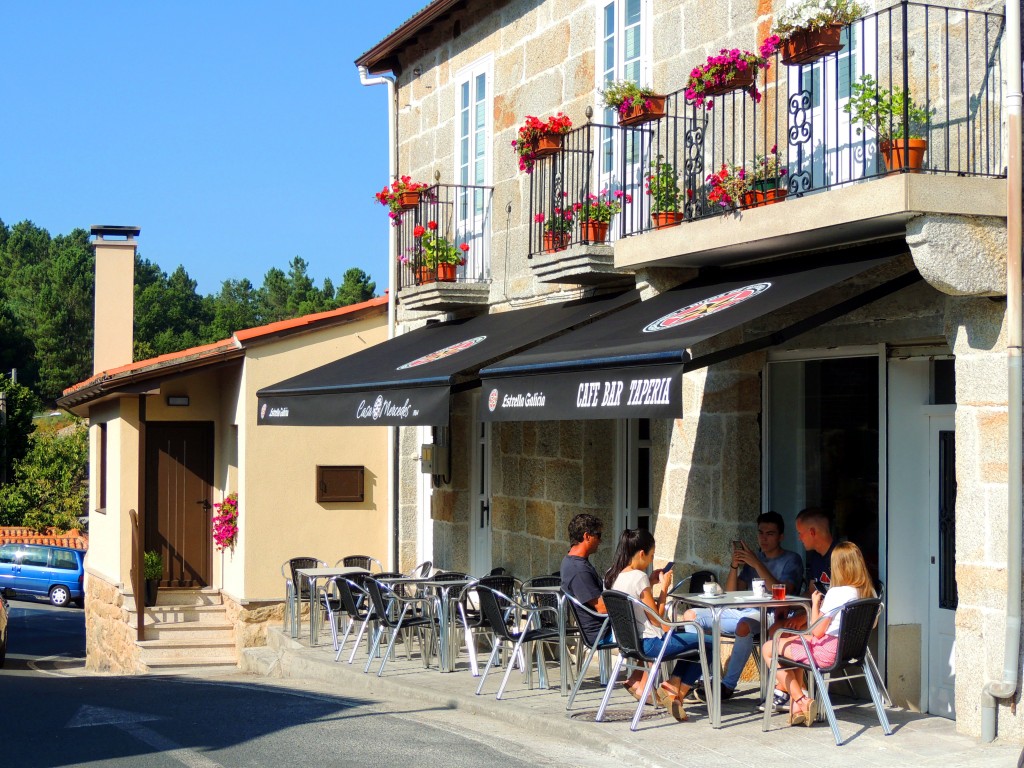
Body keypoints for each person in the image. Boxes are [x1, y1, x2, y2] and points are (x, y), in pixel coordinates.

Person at [680, 511, 803, 700]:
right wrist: (734, 566)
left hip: (771, 615)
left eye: (770, 534)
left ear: (781, 537)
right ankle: (701, 678)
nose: (764, 538)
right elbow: (731, 593)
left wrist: (757, 563)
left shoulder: (791, 559)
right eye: (761, 533)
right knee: (691, 616)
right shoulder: (754, 559)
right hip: (744, 611)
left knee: (743, 625)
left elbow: (783, 593)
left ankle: (727, 686)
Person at [761, 541, 876, 726]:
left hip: (828, 653)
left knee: (769, 647)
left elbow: (817, 631)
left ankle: (801, 700)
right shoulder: (868, 592)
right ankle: (797, 709)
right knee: (793, 640)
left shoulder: (837, 593)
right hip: (851, 651)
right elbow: (872, 625)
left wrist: (815, 604)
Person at [605, 529, 706, 722]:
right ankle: (674, 690)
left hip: (629, 644)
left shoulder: (616, 576)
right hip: (650, 644)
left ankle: (673, 688)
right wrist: (664, 588)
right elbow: (657, 619)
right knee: (707, 642)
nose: (651, 561)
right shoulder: (639, 577)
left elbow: (639, 606)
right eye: (651, 556)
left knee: (696, 647)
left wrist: (650, 584)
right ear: (642, 553)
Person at [559, 513, 606, 644]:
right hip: (601, 632)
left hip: (602, 628)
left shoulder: (572, 561)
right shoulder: (578, 570)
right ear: (587, 536)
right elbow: (602, 608)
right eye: (598, 535)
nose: (600, 541)